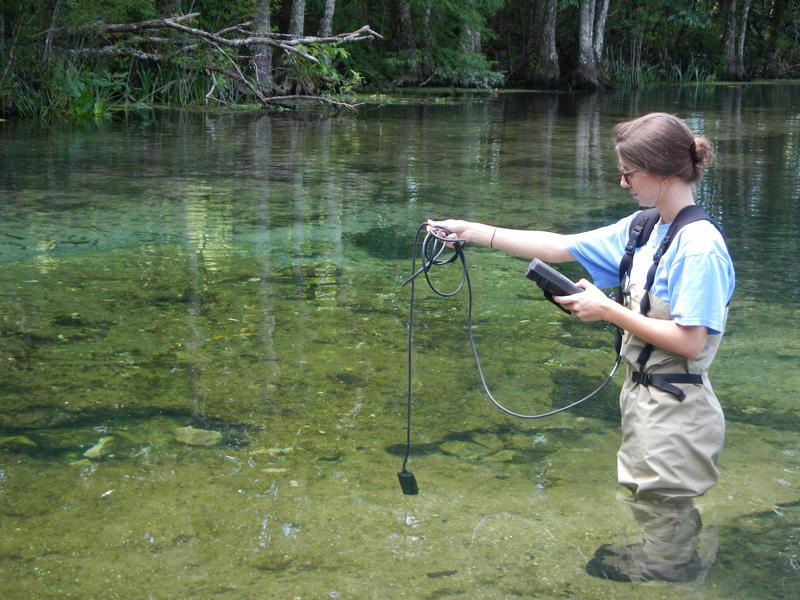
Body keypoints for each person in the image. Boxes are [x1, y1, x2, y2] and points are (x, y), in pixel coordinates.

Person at [428, 111, 735, 503]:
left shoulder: (700, 247)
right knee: (648, 516)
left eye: (629, 173)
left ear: (660, 171)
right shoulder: (644, 228)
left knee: (665, 522)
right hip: (644, 404)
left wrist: (607, 310)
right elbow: (560, 246)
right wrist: (470, 232)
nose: (622, 182)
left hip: (679, 412)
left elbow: (691, 342)